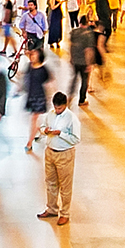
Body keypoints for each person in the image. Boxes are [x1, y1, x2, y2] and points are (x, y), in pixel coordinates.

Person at [37, 91, 80, 226]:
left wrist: (60, 134)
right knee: (50, 182)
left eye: (59, 108)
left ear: (65, 105)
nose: (57, 110)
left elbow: (76, 139)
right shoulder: (50, 114)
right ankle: (52, 208)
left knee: (65, 186)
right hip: (50, 152)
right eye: (55, 107)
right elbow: (42, 127)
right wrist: (45, 131)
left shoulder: (72, 119)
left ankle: (65, 213)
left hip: (64, 154)